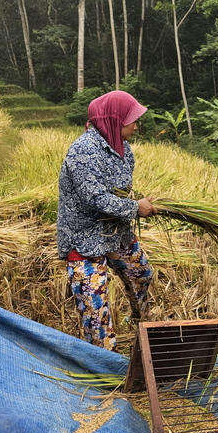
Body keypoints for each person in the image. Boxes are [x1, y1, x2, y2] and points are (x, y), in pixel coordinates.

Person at [57, 90, 157, 353]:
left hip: (115, 233)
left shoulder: (123, 148)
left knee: (141, 274)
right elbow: (95, 198)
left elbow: (120, 191)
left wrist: (138, 202)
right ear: (114, 121)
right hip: (84, 240)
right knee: (97, 317)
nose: (136, 126)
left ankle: (141, 325)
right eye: (132, 120)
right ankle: (105, 365)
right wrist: (136, 207)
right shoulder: (83, 151)